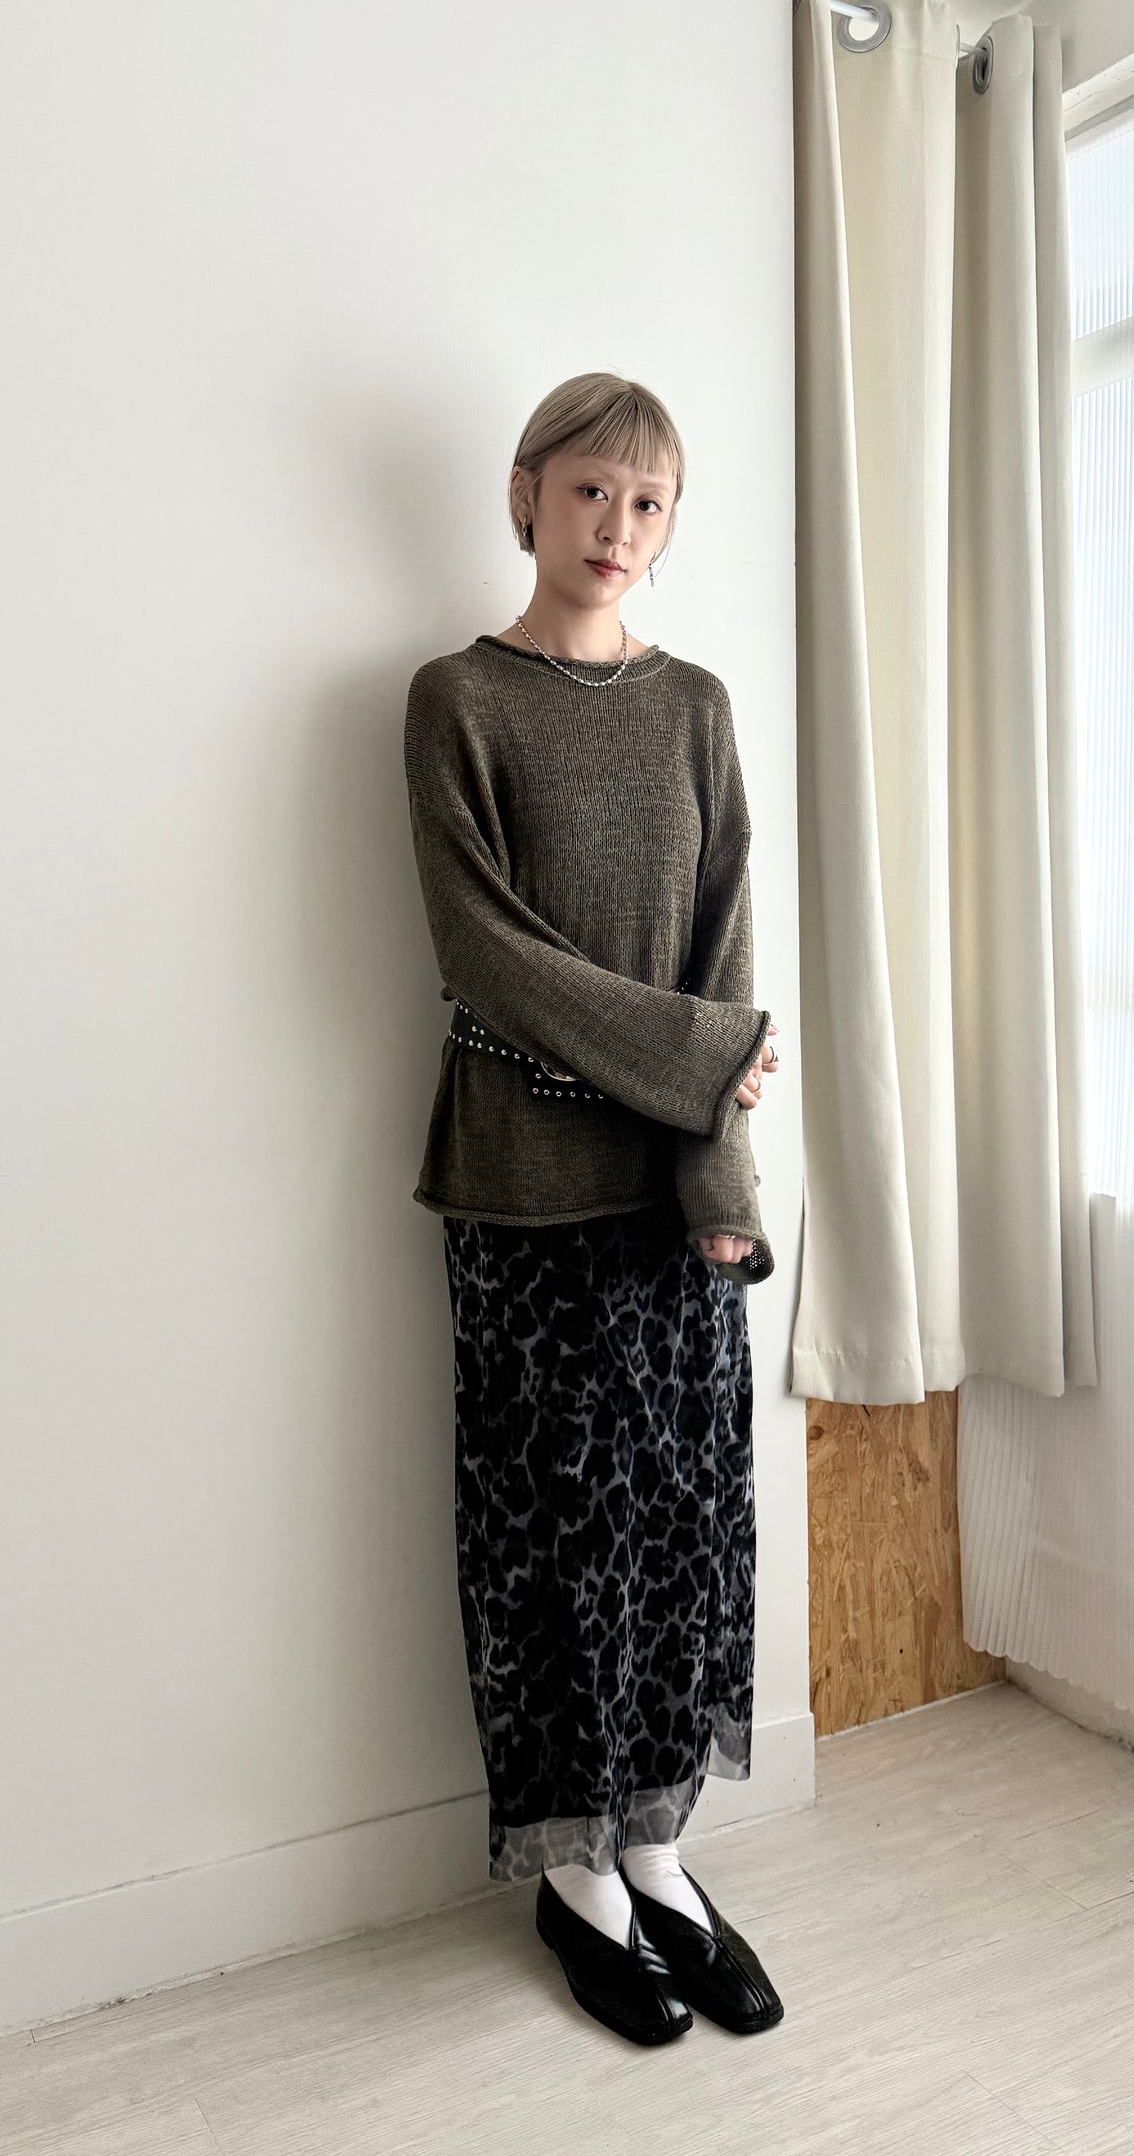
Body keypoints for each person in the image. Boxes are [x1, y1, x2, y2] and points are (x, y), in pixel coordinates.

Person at [401, 371, 786, 2050]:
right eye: (588, 491)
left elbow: (725, 944)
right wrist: (708, 1060)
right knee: (552, 1548)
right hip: (519, 1189)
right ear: (524, 497)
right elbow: (483, 955)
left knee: (682, 1532)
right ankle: (572, 1878)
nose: (617, 526)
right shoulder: (455, 700)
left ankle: (657, 1853)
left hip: (674, 1200)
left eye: (647, 502)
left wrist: (721, 1171)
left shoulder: (695, 705)